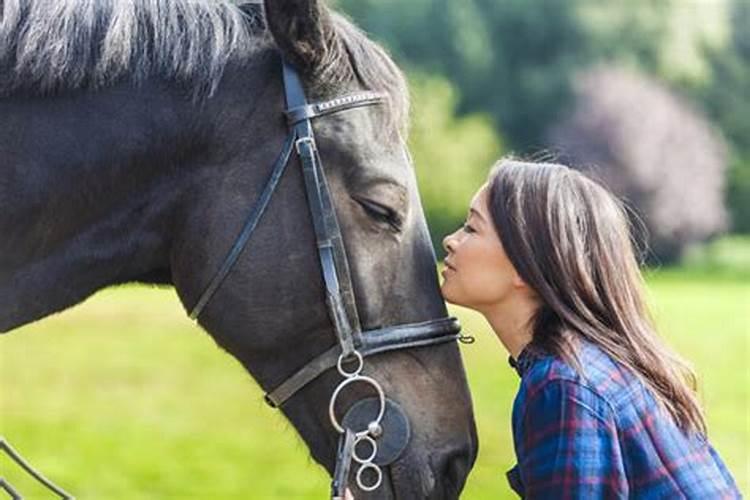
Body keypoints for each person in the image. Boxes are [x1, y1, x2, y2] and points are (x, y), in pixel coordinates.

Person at [441, 159, 741, 498]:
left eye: (471, 228)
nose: (451, 241)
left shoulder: (562, 385)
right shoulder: (592, 365)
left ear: (525, 264)